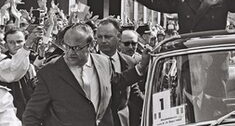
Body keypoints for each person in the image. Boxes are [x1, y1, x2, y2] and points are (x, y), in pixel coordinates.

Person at [22, 23, 150, 126]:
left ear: (91, 45)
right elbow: (32, 114)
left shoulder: (103, 63)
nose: (70, 53)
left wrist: (141, 66)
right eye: (67, 47)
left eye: (77, 48)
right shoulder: (50, 71)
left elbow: (117, 81)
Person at [96, 19, 144, 126]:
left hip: (123, 121)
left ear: (118, 37)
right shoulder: (90, 62)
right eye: (99, 37)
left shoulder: (129, 62)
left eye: (108, 37)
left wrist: (153, 106)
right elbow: (116, 81)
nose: (103, 41)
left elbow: (134, 93)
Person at [0, 27, 41, 119]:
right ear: (6, 45)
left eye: (19, 41)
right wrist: (27, 46)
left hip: (28, 110)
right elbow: (15, 70)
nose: (16, 45)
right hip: (9, 112)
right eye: (11, 42)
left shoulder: (28, 62)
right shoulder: (3, 62)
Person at [182, 55, 226, 123]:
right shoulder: (177, 105)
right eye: (193, 70)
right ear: (184, 74)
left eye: (204, 69)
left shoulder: (219, 104)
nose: (199, 76)